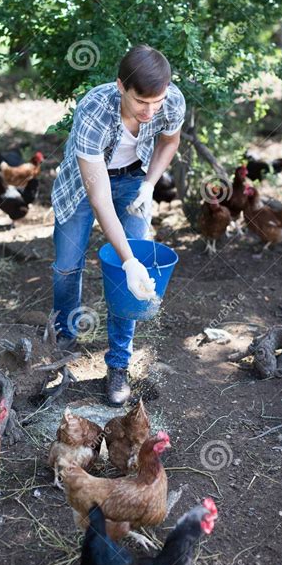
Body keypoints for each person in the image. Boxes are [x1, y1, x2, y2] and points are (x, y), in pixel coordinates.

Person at [51, 44, 185, 406]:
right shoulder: (93, 110)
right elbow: (99, 199)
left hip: (133, 179)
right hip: (83, 184)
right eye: (142, 102)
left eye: (157, 102)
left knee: (130, 282)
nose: (150, 111)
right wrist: (128, 260)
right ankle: (63, 344)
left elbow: (169, 141)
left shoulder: (169, 100)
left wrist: (150, 183)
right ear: (121, 87)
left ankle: (118, 364)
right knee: (67, 265)